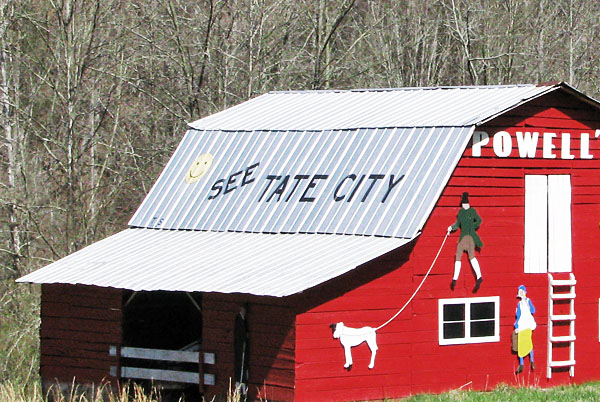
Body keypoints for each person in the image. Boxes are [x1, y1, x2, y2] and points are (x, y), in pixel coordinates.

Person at [448, 192, 483, 292]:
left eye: (464, 204)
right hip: (462, 237)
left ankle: (479, 276)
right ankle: (455, 279)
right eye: (463, 204)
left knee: (471, 257)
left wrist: (473, 226)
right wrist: (451, 228)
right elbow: (457, 223)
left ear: (467, 203)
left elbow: (479, 220)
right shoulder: (461, 213)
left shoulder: (472, 211)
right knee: (458, 256)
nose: (463, 205)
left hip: (470, 237)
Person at [515, 285, 536, 373]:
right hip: (522, 324)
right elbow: (518, 315)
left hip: (528, 323)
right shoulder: (519, 304)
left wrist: (529, 304)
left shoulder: (528, 301)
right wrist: (516, 325)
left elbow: (533, 310)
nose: (521, 294)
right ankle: (521, 364)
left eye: (522, 292)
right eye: (520, 292)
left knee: (528, 341)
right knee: (520, 343)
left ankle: (532, 360)